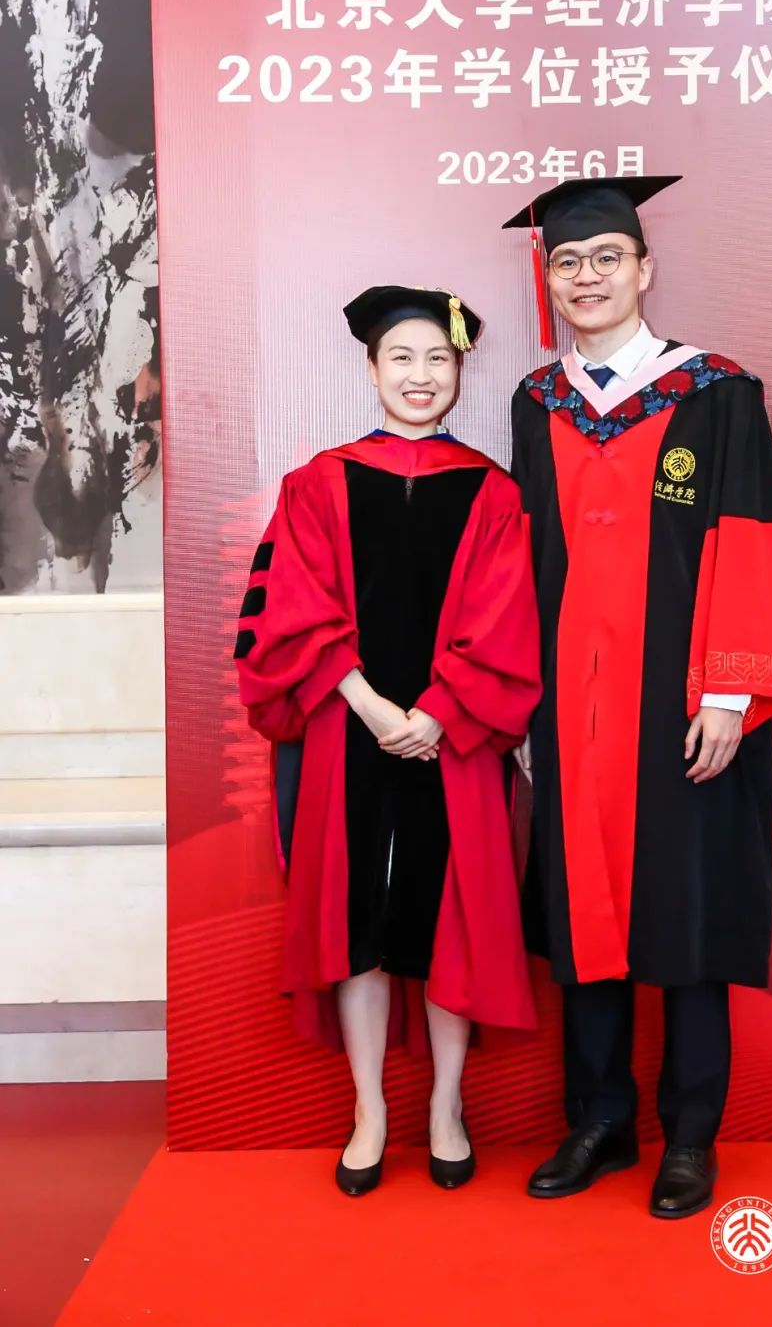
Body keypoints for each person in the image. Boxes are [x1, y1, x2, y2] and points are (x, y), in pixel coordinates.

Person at [505, 177, 772, 1219]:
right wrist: (524, 706)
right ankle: (597, 1122)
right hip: (569, 708)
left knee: (687, 912)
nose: (586, 277)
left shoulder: (716, 393)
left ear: (644, 268)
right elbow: (520, 560)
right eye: (567, 262)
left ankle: (690, 1136)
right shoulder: (538, 403)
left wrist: (731, 690)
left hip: (682, 703)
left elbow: (753, 535)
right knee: (582, 915)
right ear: (548, 281)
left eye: (606, 258)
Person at [233, 285, 541, 1197]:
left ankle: (446, 1106)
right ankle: (368, 1109)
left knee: (453, 919)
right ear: (371, 370)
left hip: (458, 735)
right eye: (401, 358)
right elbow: (292, 609)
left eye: (438, 359)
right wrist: (370, 705)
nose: (420, 375)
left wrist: (440, 713)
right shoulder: (318, 482)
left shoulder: (493, 492)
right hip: (347, 727)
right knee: (355, 919)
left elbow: (507, 621)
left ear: (460, 372)